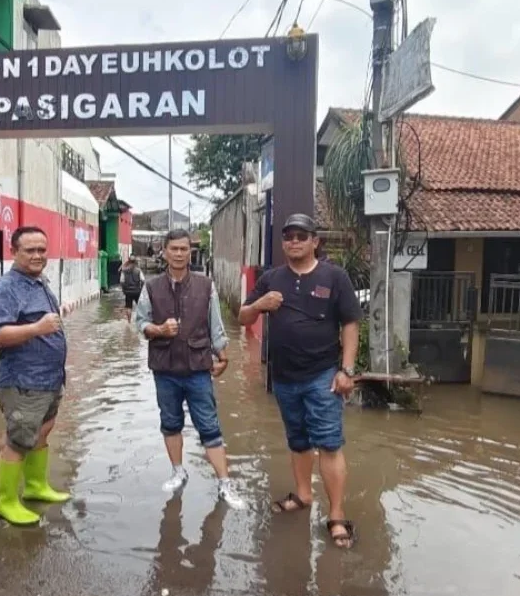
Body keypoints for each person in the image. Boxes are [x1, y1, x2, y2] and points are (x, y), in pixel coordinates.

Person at [237, 213, 361, 548]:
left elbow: (350, 324)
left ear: (315, 241)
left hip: (322, 375)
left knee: (329, 443)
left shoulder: (334, 277)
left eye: (301, 236)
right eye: (289, 236)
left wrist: (346, 370)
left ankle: (336, 516)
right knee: (298, 440)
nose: (294, 241)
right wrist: (260, 303)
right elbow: (242, 315)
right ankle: (304, 496)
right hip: (284, 376)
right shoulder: (272, 278)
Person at [135, 229, 245, 508]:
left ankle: (224, 484)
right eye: (174, 249)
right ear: (164, 251)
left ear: (190, 252)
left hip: (198, 368)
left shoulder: (206, 285)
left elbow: (216, 326)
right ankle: (177, 472)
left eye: (184, 249)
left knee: (209, 426)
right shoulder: (151, 287)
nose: (180, 254)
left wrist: (223, 356)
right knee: (170, 423)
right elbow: (140, 323)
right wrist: (159, 329)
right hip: (165, 368)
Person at [0, 226, 73, 527]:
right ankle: (6, 502)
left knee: (42, 432)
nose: (37, 256)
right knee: (18, 439)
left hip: (49, 379)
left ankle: (35, 486)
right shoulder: (5, 288)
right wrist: (36, 329)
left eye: (42, 250)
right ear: (13, 251)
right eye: (30, 250)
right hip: (23, 380)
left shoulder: (39, 283)